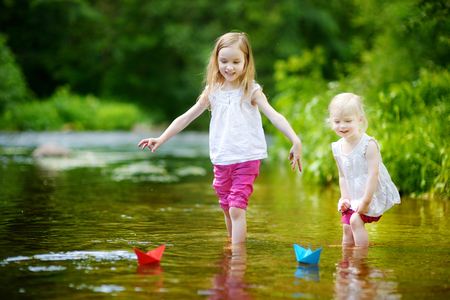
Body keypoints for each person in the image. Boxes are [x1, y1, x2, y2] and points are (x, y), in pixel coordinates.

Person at [138, 32, 302, 244]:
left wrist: (295, 140)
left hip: (246, 157)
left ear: (246, 62)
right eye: (224, 61)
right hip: (222, 159)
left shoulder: (251, 90)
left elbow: (274, 116)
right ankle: (231, 249)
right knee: (226, 208)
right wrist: (161, 138)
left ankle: (237, 257)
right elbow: (186, 117)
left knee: (236, 208)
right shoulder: (212, 91)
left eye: (236, 61)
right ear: (216, 60)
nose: (229, 67)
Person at [328, 93, 400, 247]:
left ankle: (361, 261)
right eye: (337, 121)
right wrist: (345, 198)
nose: (342, 126)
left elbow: (373, 175)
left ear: (360, 120)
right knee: (346, 228)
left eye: (348, 121)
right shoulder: (337, 147)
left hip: (370, 194)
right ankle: (346, 261)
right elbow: (342, 176)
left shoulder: (368, 144)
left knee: (355, 220)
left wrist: (366, 202)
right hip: (352, 194)